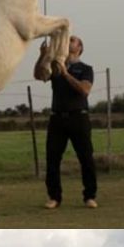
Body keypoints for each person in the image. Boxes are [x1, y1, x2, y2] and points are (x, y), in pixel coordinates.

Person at [34, 35, 98, 209]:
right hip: (57, 119)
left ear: (79, 47)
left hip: (79, 118)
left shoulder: (86, 69)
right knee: (52, 159)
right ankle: (54, 197)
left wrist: (66, 73)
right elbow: (39, 75)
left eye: (73, 40)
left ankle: (89, 197)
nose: (68, 41)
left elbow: (84, 90)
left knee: (86, 158)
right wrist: (43, 55)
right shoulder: (55, 67)